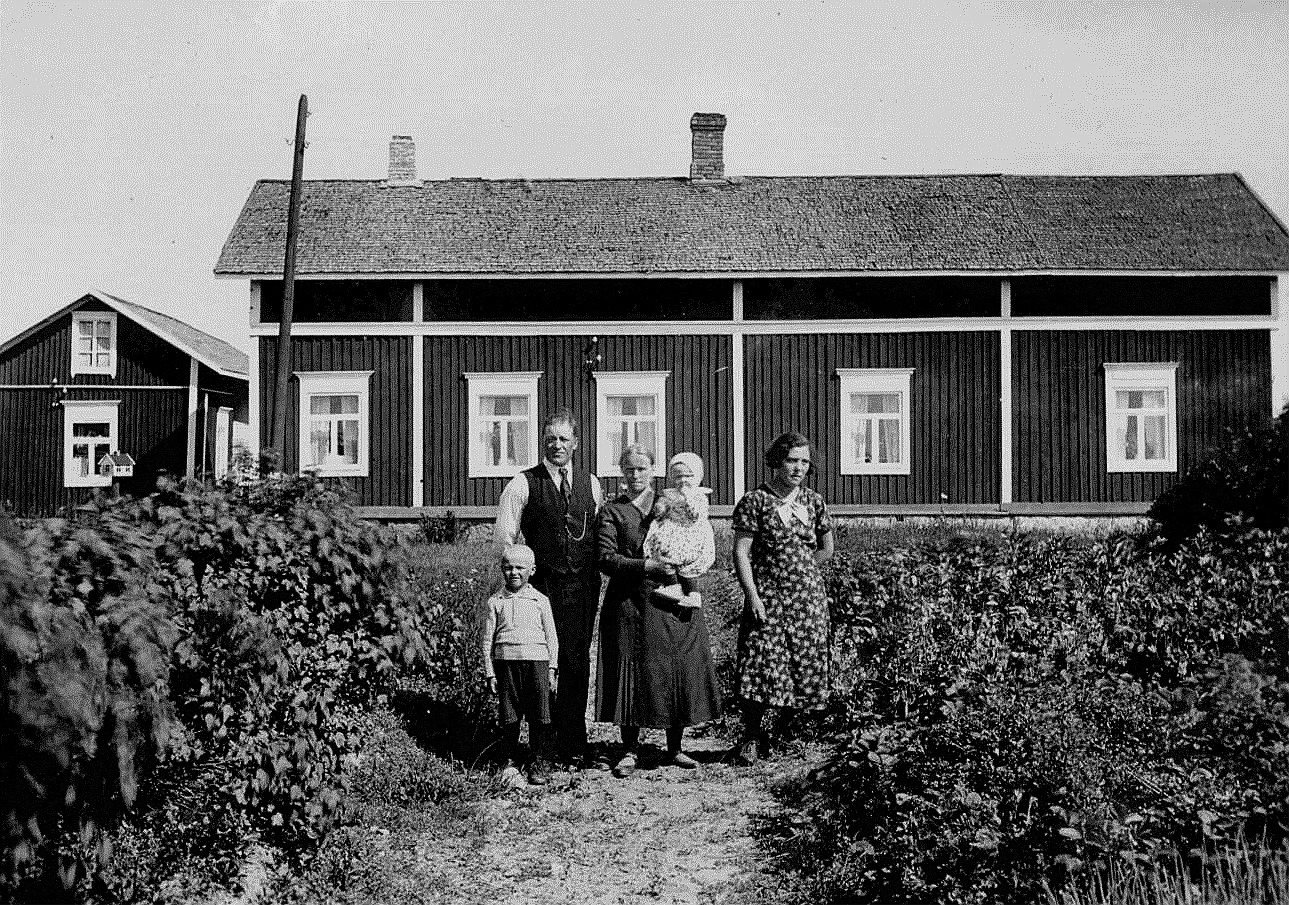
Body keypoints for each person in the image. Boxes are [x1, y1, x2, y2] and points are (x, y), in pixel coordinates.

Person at [596, 446, 723, 777]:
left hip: (672, 598)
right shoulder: (613, 511)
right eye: (629, 469)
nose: (635, 475)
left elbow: (694, 533)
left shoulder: (671, 499)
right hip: (629, 601)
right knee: (632, 669)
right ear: (621, 472)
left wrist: (688, 564)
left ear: (653, 470)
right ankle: (628, 749)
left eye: (642, 469)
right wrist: (647, 564)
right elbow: (606, 558)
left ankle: (675, 747)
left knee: (674, 666)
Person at [494, 409, 602, 765]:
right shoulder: (523, 483)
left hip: (582, 586)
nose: (557, 445)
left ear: (576, 443)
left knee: (575, 660)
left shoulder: (591, 483)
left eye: (564, 439)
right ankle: (545, 743)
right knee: (542, 663)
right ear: (543, 442)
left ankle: (574, 741)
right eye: (551, 439)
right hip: (541, 589)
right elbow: (505, 541)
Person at [731, 431, 835, 765]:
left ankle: (782, 733)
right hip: (768, 598)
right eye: (792, 460)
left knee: (802, 663)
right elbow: (741, 553)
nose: (798, 468)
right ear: (778, 460)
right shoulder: (755, 501)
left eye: (805, 462)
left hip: (807, 601)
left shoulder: (814, 501)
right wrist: (754, 594)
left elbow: (826, 548)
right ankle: (750, 736)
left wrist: (802, 573)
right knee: (761, 660)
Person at [481, 544, 559, 786]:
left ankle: (540, 760)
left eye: (519, 568)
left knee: (540, 714)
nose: (513, 572)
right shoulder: (496, 601)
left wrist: (552, 669)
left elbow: (552, 637)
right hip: (506, 664)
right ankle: (508, 761)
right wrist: (489, 672)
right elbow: (487, 640)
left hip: (537, 662)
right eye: (507, 567)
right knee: (509, 715)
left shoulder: (540, 600)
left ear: (532, 570)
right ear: (501, 570)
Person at [642, 451, 716, 608]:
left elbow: (696, 515)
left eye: (688, 476)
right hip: (672, 532)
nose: (683, 480)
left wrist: (688, 498)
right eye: (678, 476)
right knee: (665, 556)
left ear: (697, 476)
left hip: (690, 533)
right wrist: (661, 508)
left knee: (687, 565)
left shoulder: (698, 495)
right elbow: (665, 507)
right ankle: (673, 586)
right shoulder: (671, 494)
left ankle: (693, 594)